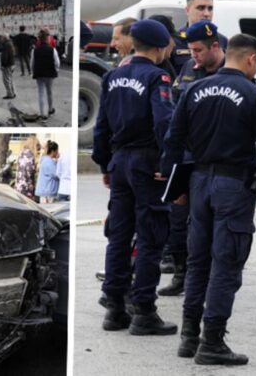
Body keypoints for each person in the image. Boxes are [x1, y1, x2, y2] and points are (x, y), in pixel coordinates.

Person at [161, 33, 256, 365]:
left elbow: (173, 140)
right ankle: (212, 342)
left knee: (198, 261)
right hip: (232, 185)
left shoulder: (194, 89)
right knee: (226, 265)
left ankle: (189, 337)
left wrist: (176, 187)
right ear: (252, 59)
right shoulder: (253, 93)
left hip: (199, 181)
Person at [92, 19, 177, 337]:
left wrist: (104, 165)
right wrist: (169, 164)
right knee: (152, 237)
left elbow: (101, 126)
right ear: (159, 48)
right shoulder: (159, 77)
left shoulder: (112, 77)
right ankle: (144, 310)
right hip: (146, 162)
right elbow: (164, 122)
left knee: (119, 236)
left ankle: (115, 308)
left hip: (119, 162)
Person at [158, 19, 227, 297]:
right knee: (178, 219)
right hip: (185, 156)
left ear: (215, 46)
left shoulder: (231, 72)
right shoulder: (188, 68)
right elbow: (175, 106)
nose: (194, 55)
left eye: (198, 50)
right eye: (191, 50)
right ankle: (181, 274)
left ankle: (208, 276)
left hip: (214, 159)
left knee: (208, 223)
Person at [170, 0, 229, 74]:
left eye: (210, 8)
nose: (206, 14)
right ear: (187, 10)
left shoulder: (222, 40)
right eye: (201, 8)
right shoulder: (175, 40)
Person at [31, 29, 60, 123]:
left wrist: (33, 72)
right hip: (50, 74)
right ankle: (50, 110)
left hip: (39, 74)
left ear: (39, 39)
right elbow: (57, 63)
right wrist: (56, 70)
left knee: (41, 93)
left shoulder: (34, 51)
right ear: (47, 38)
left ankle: (42, 114)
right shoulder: (53, 50)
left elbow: (32, 63)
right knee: (49, 92)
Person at [16, 136, 39, 201]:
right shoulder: (30, 155)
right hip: (27, 186)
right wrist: (36, 168)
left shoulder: (22, 153)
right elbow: (30, 171)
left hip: (19, 185)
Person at [0, 35, 17, 99]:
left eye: (2, 38)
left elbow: (5, 56)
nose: (1, 39)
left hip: (7, 65)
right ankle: (13, 92)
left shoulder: (6, 45)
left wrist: (3, 65)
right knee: (10, 79)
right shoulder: (10, 43)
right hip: (12, 64)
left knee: (6, 80)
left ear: (4, 38)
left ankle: (10, 94)